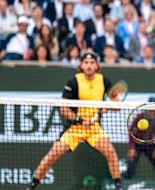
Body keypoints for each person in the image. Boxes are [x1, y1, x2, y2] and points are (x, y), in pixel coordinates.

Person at [28, 52, 122, 190]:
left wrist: (109, 107)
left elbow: (117, 105)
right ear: (81, 65)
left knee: (111, 153)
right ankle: (32, 186)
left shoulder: (104, 81)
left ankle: (118, 186)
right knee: (52, 155)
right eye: (86, 63)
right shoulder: (73, 82)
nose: (89, 66)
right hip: (74, 128)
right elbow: (64, 109)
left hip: (94, 128)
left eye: (92, 63)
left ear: (96, 66)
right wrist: (80, 120)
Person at [126, 96, 155, 190]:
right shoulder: (140, 116)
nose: (152, 107)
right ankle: (123, 186)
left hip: (150, 146)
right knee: (131, 168)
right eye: (150, 105)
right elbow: (131, 133)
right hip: (138, 145)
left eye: (154, 105)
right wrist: (132, 148)